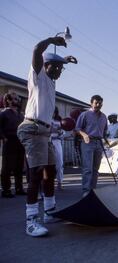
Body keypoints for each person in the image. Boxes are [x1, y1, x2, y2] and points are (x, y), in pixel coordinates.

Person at [17, 36, 76, 237]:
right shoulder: (38, 76)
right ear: (46, 65)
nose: (59, 72)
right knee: (35, 174)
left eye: (61, 69)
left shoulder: (51, 82)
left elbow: (56, 65)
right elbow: (36, 50)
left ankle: (49, 210)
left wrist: (65, 60)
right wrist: (52, 40)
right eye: (56, 68)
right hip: (31, 129)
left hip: (44, 132)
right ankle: (31, 219)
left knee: (50, 171)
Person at [75, 95, 108, 196]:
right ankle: (86, 190)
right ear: (91, 103)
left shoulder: (104, 116)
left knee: (95, 169)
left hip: (99, 143)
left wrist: (106, 140)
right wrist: (84, 135)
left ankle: (93, 190)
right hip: (88, 142)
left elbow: (105, 130)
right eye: (96, 103)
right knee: (87, 168)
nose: (98, 105)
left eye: (100, 103)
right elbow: (77, 128)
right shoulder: (84, 115)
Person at [0, 92, 25, 197]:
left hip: (20, 141)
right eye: (14, 99)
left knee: (19, 166)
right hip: (9, 140)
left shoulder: (20, 114)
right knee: (7, 167)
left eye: (17, 98)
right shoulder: (3, 113)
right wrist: (4, 138)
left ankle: (19, 188)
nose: (17, 100)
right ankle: (6, 190)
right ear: (8, 100)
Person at [51, 107, 64, 190]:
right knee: (47, 164)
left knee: (59, 163)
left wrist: (60, 133)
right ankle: (48, 183)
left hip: (57, 142)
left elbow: (63, 132)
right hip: (46, 142)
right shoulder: (44, 119)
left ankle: (59, 182)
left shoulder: (59, 120)